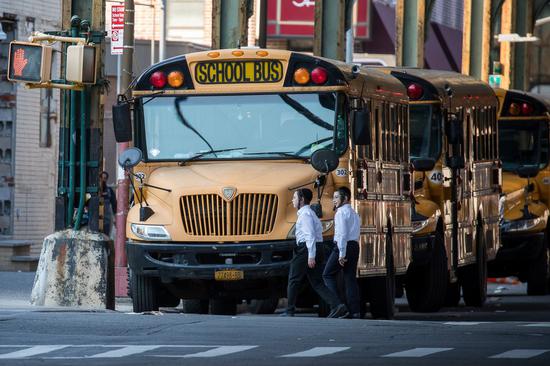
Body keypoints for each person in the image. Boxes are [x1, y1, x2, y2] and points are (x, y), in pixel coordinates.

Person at [281, 188, 349, 318]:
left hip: (306, 249)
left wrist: (310, 256)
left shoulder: (305, 215)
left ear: (301, 200)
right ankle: (337, 305)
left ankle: (289, 310)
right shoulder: (310, 213)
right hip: (316, 248)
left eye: (294, 198)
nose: (292, 200)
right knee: (317, 282)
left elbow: (310, 236)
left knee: (293, 279)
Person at [323, 186, 361, 319]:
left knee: (327, 274)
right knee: (350, 278)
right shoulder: (354, 213)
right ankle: (355, 311)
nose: (333, 200)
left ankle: (338, 305)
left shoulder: (340, 213)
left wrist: (341, 254)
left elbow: (342, 235)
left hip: (342, 246)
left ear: (345, 198)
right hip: (354, 246)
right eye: (333, 197)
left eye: (336, 197)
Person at [100, 171, 117, 236]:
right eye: (101, 178)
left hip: (106, 220)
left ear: (106, 179)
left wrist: (115, 218)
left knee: (106, 235)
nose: (103, 180)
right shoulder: (94, 190)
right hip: (95, 220)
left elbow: (114, 205)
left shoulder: (109, 191)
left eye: (104, 178)